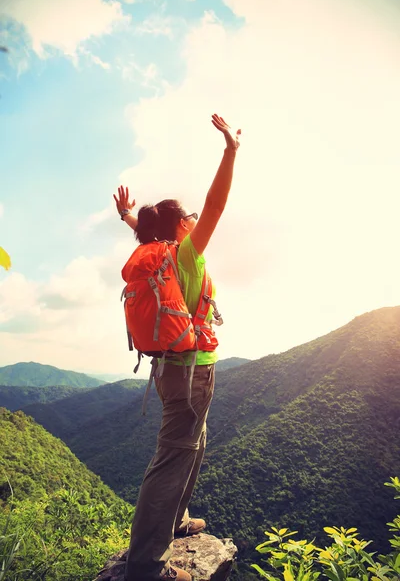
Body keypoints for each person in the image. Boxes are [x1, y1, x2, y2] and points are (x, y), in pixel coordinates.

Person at [113, 114, 241, 581]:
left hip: (170, 370)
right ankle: (145, 565)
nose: (193, 221)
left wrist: (129, 216)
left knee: (193, 445)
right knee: (172, 457)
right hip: (190, 374)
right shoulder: (185, 255)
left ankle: (175, 522)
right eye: (186, 219)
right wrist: (230, 152)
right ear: (178, 227)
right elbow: (216, 204)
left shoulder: (156, 250)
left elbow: (149, 227)